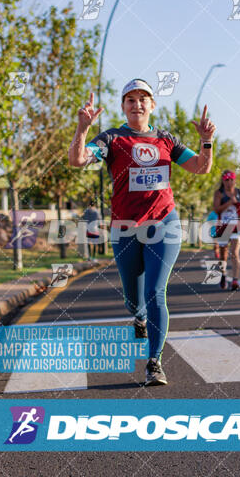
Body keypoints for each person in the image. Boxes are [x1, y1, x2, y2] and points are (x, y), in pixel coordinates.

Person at [68, 80, 215, 386]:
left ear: (152, 106)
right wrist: (82, 128)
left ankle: (154, 362)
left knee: (155, 291)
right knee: (134, 298)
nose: (137, 104)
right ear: (123, 107)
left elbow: (201, 168)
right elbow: (78, 160)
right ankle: (139, 317)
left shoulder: (166, 139)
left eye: (143, 98)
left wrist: (206, 141)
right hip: (125, 227)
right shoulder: (112, 139)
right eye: (130, 99)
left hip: (164, 223)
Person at [213, 170, 240, 291]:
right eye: (226, 180)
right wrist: (229, 202)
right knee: (223, 255)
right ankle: (223, 274)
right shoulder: (219, 193)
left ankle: (235, 280)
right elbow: (216, 209)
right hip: (223, 227)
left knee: (235, 253)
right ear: (223, 180)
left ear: (235, 180)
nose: (229, 182)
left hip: (235, 226)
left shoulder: (239, 192)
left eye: (231, 179)